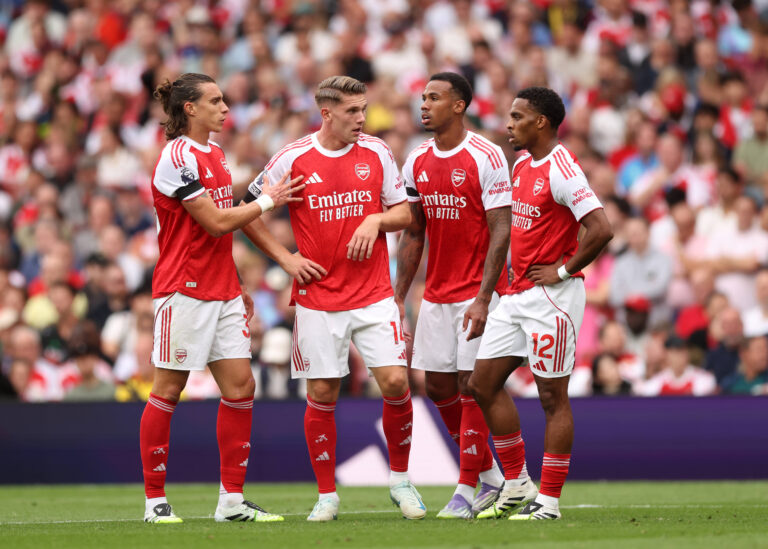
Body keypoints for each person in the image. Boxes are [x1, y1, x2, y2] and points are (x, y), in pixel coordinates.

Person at [243, 75, 423, 522]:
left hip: (374, 292)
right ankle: (327, 495)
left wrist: (376, 220)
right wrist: (285, 258)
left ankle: (401, 481)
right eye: (352, 111)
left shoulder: (377, 152)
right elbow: (248, 210)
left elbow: (405, 212)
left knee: (396, 382)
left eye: (363, 109)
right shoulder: (293, 157)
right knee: (323, 391)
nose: (362, 118)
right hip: (318, 296)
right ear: (326, 113)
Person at [139, 72, 303, 525]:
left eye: (224, 100)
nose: (225, 108)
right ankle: (154, 501)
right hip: (184, 289)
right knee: (168, 390)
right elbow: (214, 222)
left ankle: (231, 501)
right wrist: (268, 201)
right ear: (189, 108)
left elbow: (222, 230)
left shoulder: (215, 153)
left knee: (241, 388)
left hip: (222, 290)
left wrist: (237, 283)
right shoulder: (176, 158)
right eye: (215, 101)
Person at [469, 87, 613, 521]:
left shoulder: (563, 168)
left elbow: (601, 229)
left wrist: (564, 271)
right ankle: (517, 484)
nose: (509, 124)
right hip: (517, 295)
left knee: (552, 396)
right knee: (481, 384)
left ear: (541, 122)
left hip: (553, 298)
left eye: (517, 116)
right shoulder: (521, 164)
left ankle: (548, 501)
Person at [394, 72, 509, 519]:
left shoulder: (486, 155)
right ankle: (491, 476)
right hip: (437, 293)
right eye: (423, 97)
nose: (424, 105)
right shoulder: (417, 159)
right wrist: (398, 295)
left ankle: (465, 489)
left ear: (459, 105)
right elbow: (414, 232)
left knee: (470, 385)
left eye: (435, 98)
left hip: (478, 292)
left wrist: (484, 297)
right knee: (437, 385)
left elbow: (501, 229)